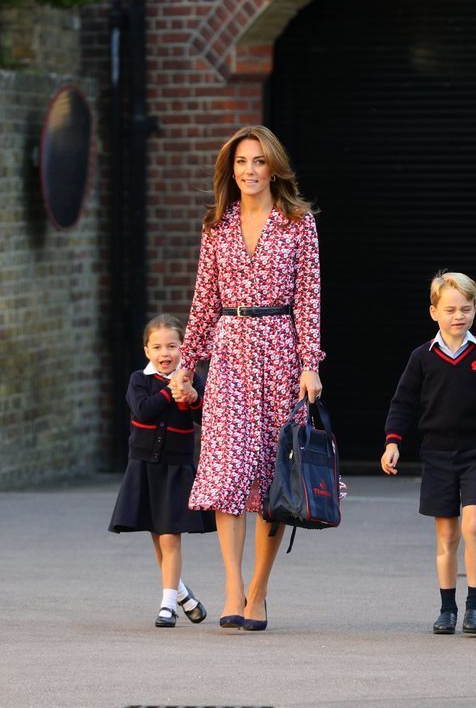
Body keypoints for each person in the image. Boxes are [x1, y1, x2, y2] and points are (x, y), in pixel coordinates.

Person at [169, 125, 324, 632]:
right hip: (231, 353)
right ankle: (233, 588)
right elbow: (203, 302)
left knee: (271, 479)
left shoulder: (299, 224)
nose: (249, 171)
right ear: (230, 170)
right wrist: (185, 364)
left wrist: (309, 364)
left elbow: (309, 300)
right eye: (241, 162)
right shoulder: (216, 226)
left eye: (258, 162)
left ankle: (259, 588)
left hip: (280, 351)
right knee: (226, 473)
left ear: (273, 167)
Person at [381, 272, 476, 636]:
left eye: (466, 309)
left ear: (475, 310)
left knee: (473, 526)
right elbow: (402, 402)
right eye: (451, 309)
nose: (459, 316)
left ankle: (475, 606)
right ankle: (447, 609)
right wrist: (393, 442)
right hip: (437, 455)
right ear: (434, 312)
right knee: (447, 537)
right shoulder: (422, 357)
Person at [109, 314, 217, 628]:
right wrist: (170, 392)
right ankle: (183, 594)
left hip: (176, 467)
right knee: (158, 537)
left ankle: (167, 605)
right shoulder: (138, 380)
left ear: (184, 348)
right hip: (144, 465)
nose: (165, 353)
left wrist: (194, 397)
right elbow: (143, 409)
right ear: (146, 351)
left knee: (170, 537)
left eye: (172, 345)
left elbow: (206, 417)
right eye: (157, 347)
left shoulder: (192, 379)